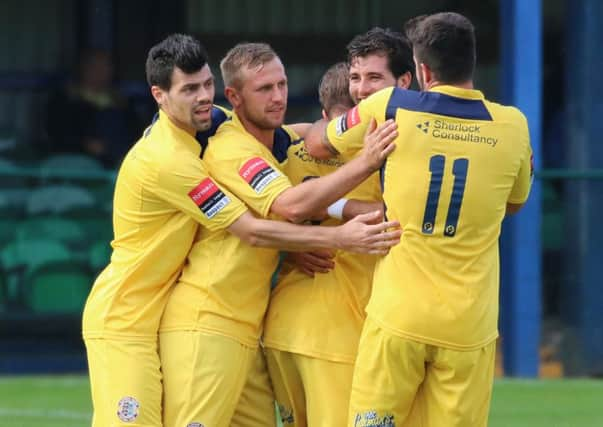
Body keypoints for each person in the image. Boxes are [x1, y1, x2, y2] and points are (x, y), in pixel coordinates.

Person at [82, 34, 400, 427]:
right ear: (159, 95)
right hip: (141, 317)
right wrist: (340, 231)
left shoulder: (222, 126)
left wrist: (315, 226)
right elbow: (258, 226)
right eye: (189, 89)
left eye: (205, 85)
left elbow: (305, 143)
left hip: (217, 319)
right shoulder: (179, 158)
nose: (201, 97)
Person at [304, 12, 534, 426]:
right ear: (472, 62)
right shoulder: (514, 126)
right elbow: (514, 204)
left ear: (422, 70)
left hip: (398, 316)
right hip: (468, 325)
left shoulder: (390, 107)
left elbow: (320, 145)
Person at [263, 48, 413, 427]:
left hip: (283, 325)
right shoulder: (389, 156)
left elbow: (260, 208)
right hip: (336, 334)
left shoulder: (289, 152)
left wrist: (293, 242)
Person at [46, 48, 139, 168]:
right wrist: (84, 144)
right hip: (76, 164)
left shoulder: (122, 102)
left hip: (117, 163)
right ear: (83, 68)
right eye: (95, 66)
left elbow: (136, 134)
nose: (100, 72)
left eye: (105, 67)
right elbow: (56, 134)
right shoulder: (65, 100)